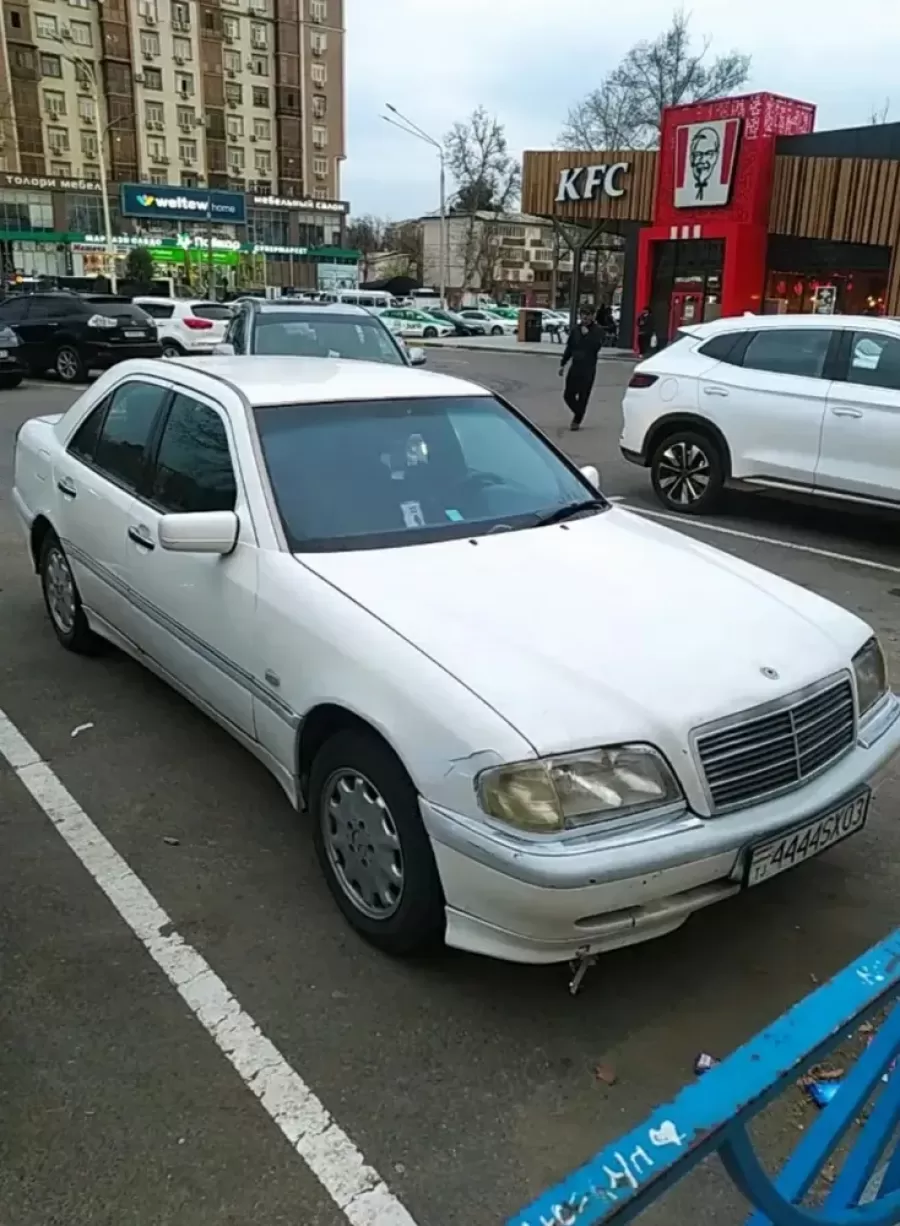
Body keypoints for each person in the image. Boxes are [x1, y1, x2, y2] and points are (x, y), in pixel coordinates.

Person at [559, 304, 604, 431]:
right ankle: (579, 412)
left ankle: (577, 420)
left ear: (593, 316)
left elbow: (596, 347)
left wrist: (587, 335)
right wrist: (563, 363)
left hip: (588, 368)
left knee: (583, 395)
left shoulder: (598, 331)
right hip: (575, 366)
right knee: (568, 395)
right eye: (583, 314)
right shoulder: (575, 329)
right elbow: (569, 347)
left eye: (588, 315)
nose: (585, 317)